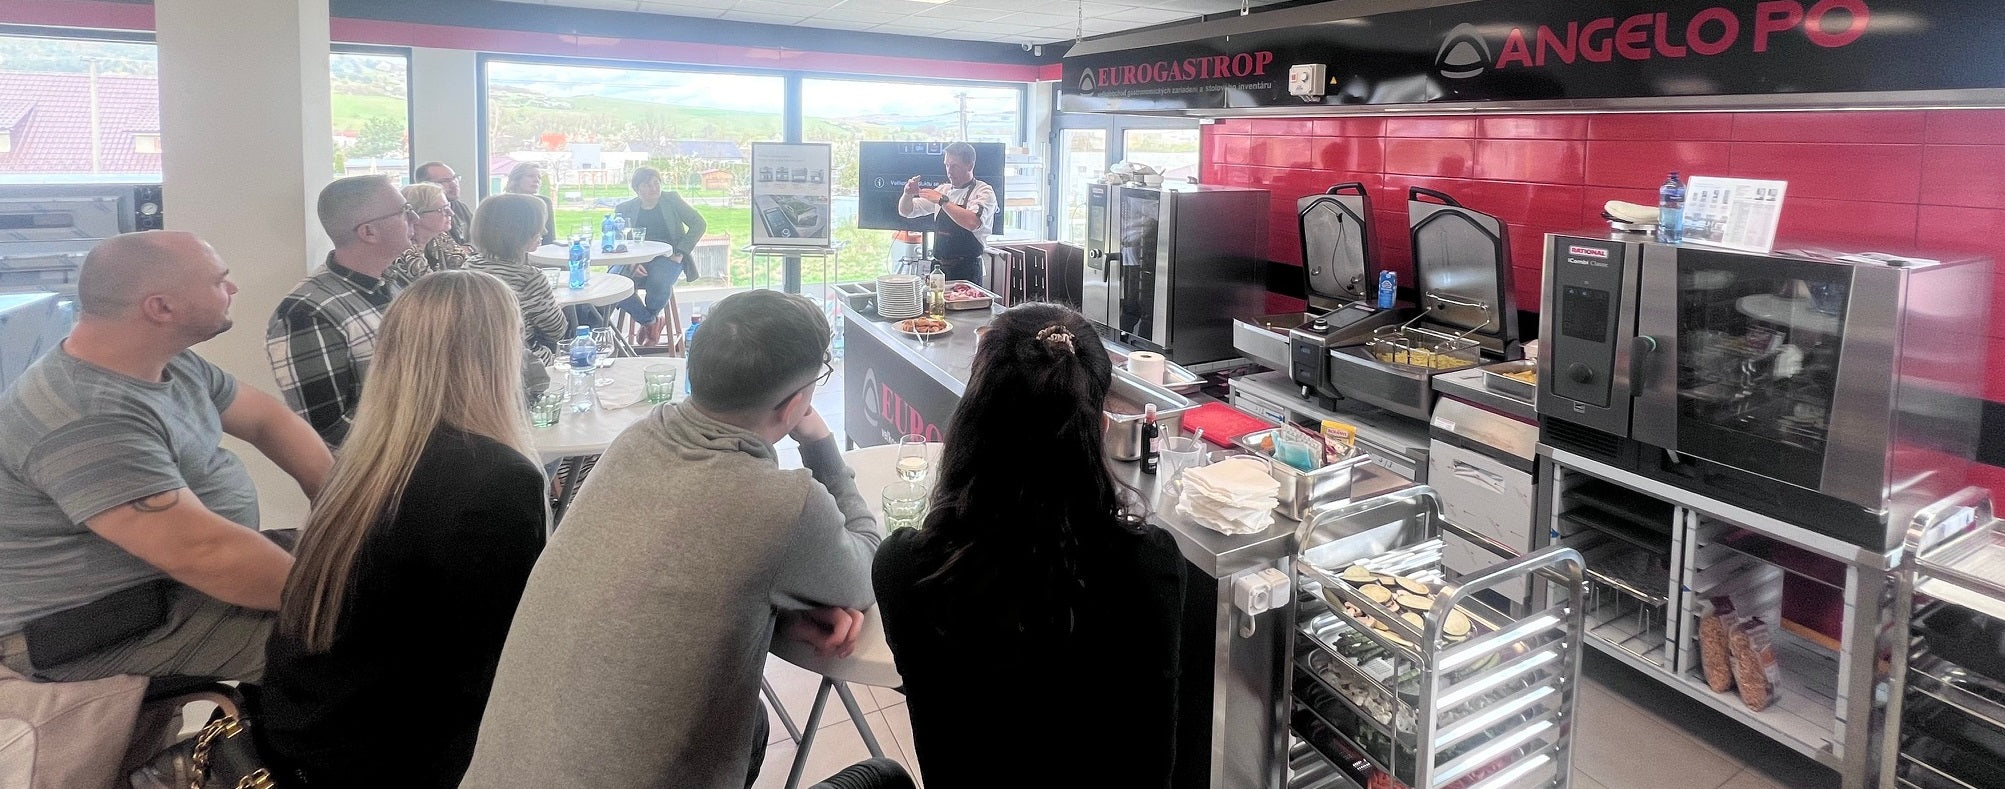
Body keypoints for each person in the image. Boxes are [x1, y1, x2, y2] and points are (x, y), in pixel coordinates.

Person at [460, 290, 879, 789]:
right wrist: (821, 445)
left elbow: (656, 582)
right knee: (883, 776)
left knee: (752, 727)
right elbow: (868, 571)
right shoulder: (781, 502)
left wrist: (775, 615)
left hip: (495, 773)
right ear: (794, 406)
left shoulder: (634, 441)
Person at [872, 302, 1186, 788]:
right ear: (1099, 429)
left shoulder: (904, 567)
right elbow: (1153, 765)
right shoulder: (1150, 564)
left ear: (969, 420)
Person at [255, 271, 547, 788]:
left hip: (309, 727)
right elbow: (504, 660)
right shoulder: (497, 477)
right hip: (395, 754)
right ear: (497, 353)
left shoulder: (365, 462)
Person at [0, 231, 332, 683]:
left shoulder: (166, 362)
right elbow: (203, 553)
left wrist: (339, 502)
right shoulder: (84, 417)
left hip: (169, 586)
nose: (232, 288)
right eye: (218, 281)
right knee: (372, 641)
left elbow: (266, 421)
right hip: (93, 625)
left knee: (381, 567)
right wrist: (344, 602)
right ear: (161, 308)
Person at [267, 174, 413, 447]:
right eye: (403, 211)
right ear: (368, 232)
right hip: (387, 467)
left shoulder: (395, 280)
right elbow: (329, 428)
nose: (414, 218)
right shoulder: (306, 312)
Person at [466, 193, 570, 365]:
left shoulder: (467, 267)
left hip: (473, 360)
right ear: (520, 233)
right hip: (522, 363)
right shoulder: (530, 278)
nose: (544, 231)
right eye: (538, 227)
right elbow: (557, 331)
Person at [612, 166, 705, 345]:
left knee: (658, 282)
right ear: (637, 189)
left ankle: (649, 321)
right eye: (647, 185)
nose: (654, 188)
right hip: (635, 259)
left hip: (668, 257)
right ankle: (651, 322)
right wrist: (631, 262)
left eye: (656, 183)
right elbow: (617, 238)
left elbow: (699, 223)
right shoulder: (624, 209)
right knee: (614, 283)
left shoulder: (672, 200)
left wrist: (680, 252)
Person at [897, 141, 996, 283]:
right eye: (947, 165)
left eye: (954, 166)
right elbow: (906, 211)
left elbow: (972, 222)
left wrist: (943, 201)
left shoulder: (983, 191)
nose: (949, 171)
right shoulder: (943, 190)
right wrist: (908, 194)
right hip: (938, 268)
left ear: (969, 165)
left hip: (967, 269)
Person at [386, 181, 472, 286]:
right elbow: (431, 289)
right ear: (417, 216)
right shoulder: (404, 251)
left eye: (448, 206)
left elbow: (467, 271)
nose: (451, 213)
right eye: (442, 209)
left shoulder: (439, 237)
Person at [413, 160, 471, 247]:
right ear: (426, 185)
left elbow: (478, 237)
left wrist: (470, 248)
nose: (454, 184)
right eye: (445, 181)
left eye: (455, 178)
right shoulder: (423, 212)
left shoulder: (461, 207)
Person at [503, 162, 557, 246]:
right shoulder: (503, 203)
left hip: (540, 251)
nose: (536, 180)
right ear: (516, 179)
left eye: (539, 177)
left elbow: (549, 238)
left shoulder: (545, 202)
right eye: (531, 176)